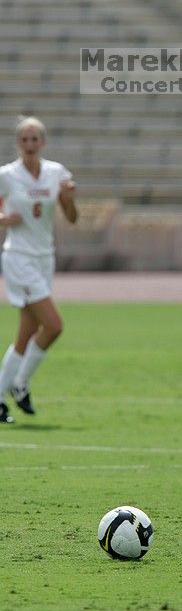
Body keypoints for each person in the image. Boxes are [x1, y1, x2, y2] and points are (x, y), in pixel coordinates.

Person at [0, 116, 78, 424]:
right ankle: (20, 385)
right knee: (54, 325)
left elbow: (71, 218)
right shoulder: (7, 175)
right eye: (25, 140)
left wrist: (69, 198)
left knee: (27, 333)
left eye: (35, 139)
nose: (30, 145)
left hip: (45, 257)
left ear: (42, 143)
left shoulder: (55, 172)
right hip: (19, 257)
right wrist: (4, 220)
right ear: (18, 144)